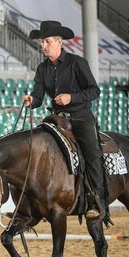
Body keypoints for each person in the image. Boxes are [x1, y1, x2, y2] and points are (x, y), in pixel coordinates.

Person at [22, 20, 107, 220]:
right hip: (57, 118)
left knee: (92, 153)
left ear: (59, 42)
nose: (44, 46)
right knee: (38, 148)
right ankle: (41, 201)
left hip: (80, 117)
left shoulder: (77, 63)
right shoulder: (42, 69)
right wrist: (31, 100)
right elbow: (38, 96)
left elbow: (95, 90)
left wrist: (72, 97)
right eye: (42, 42)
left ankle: (96, 200)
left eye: (47, 41)